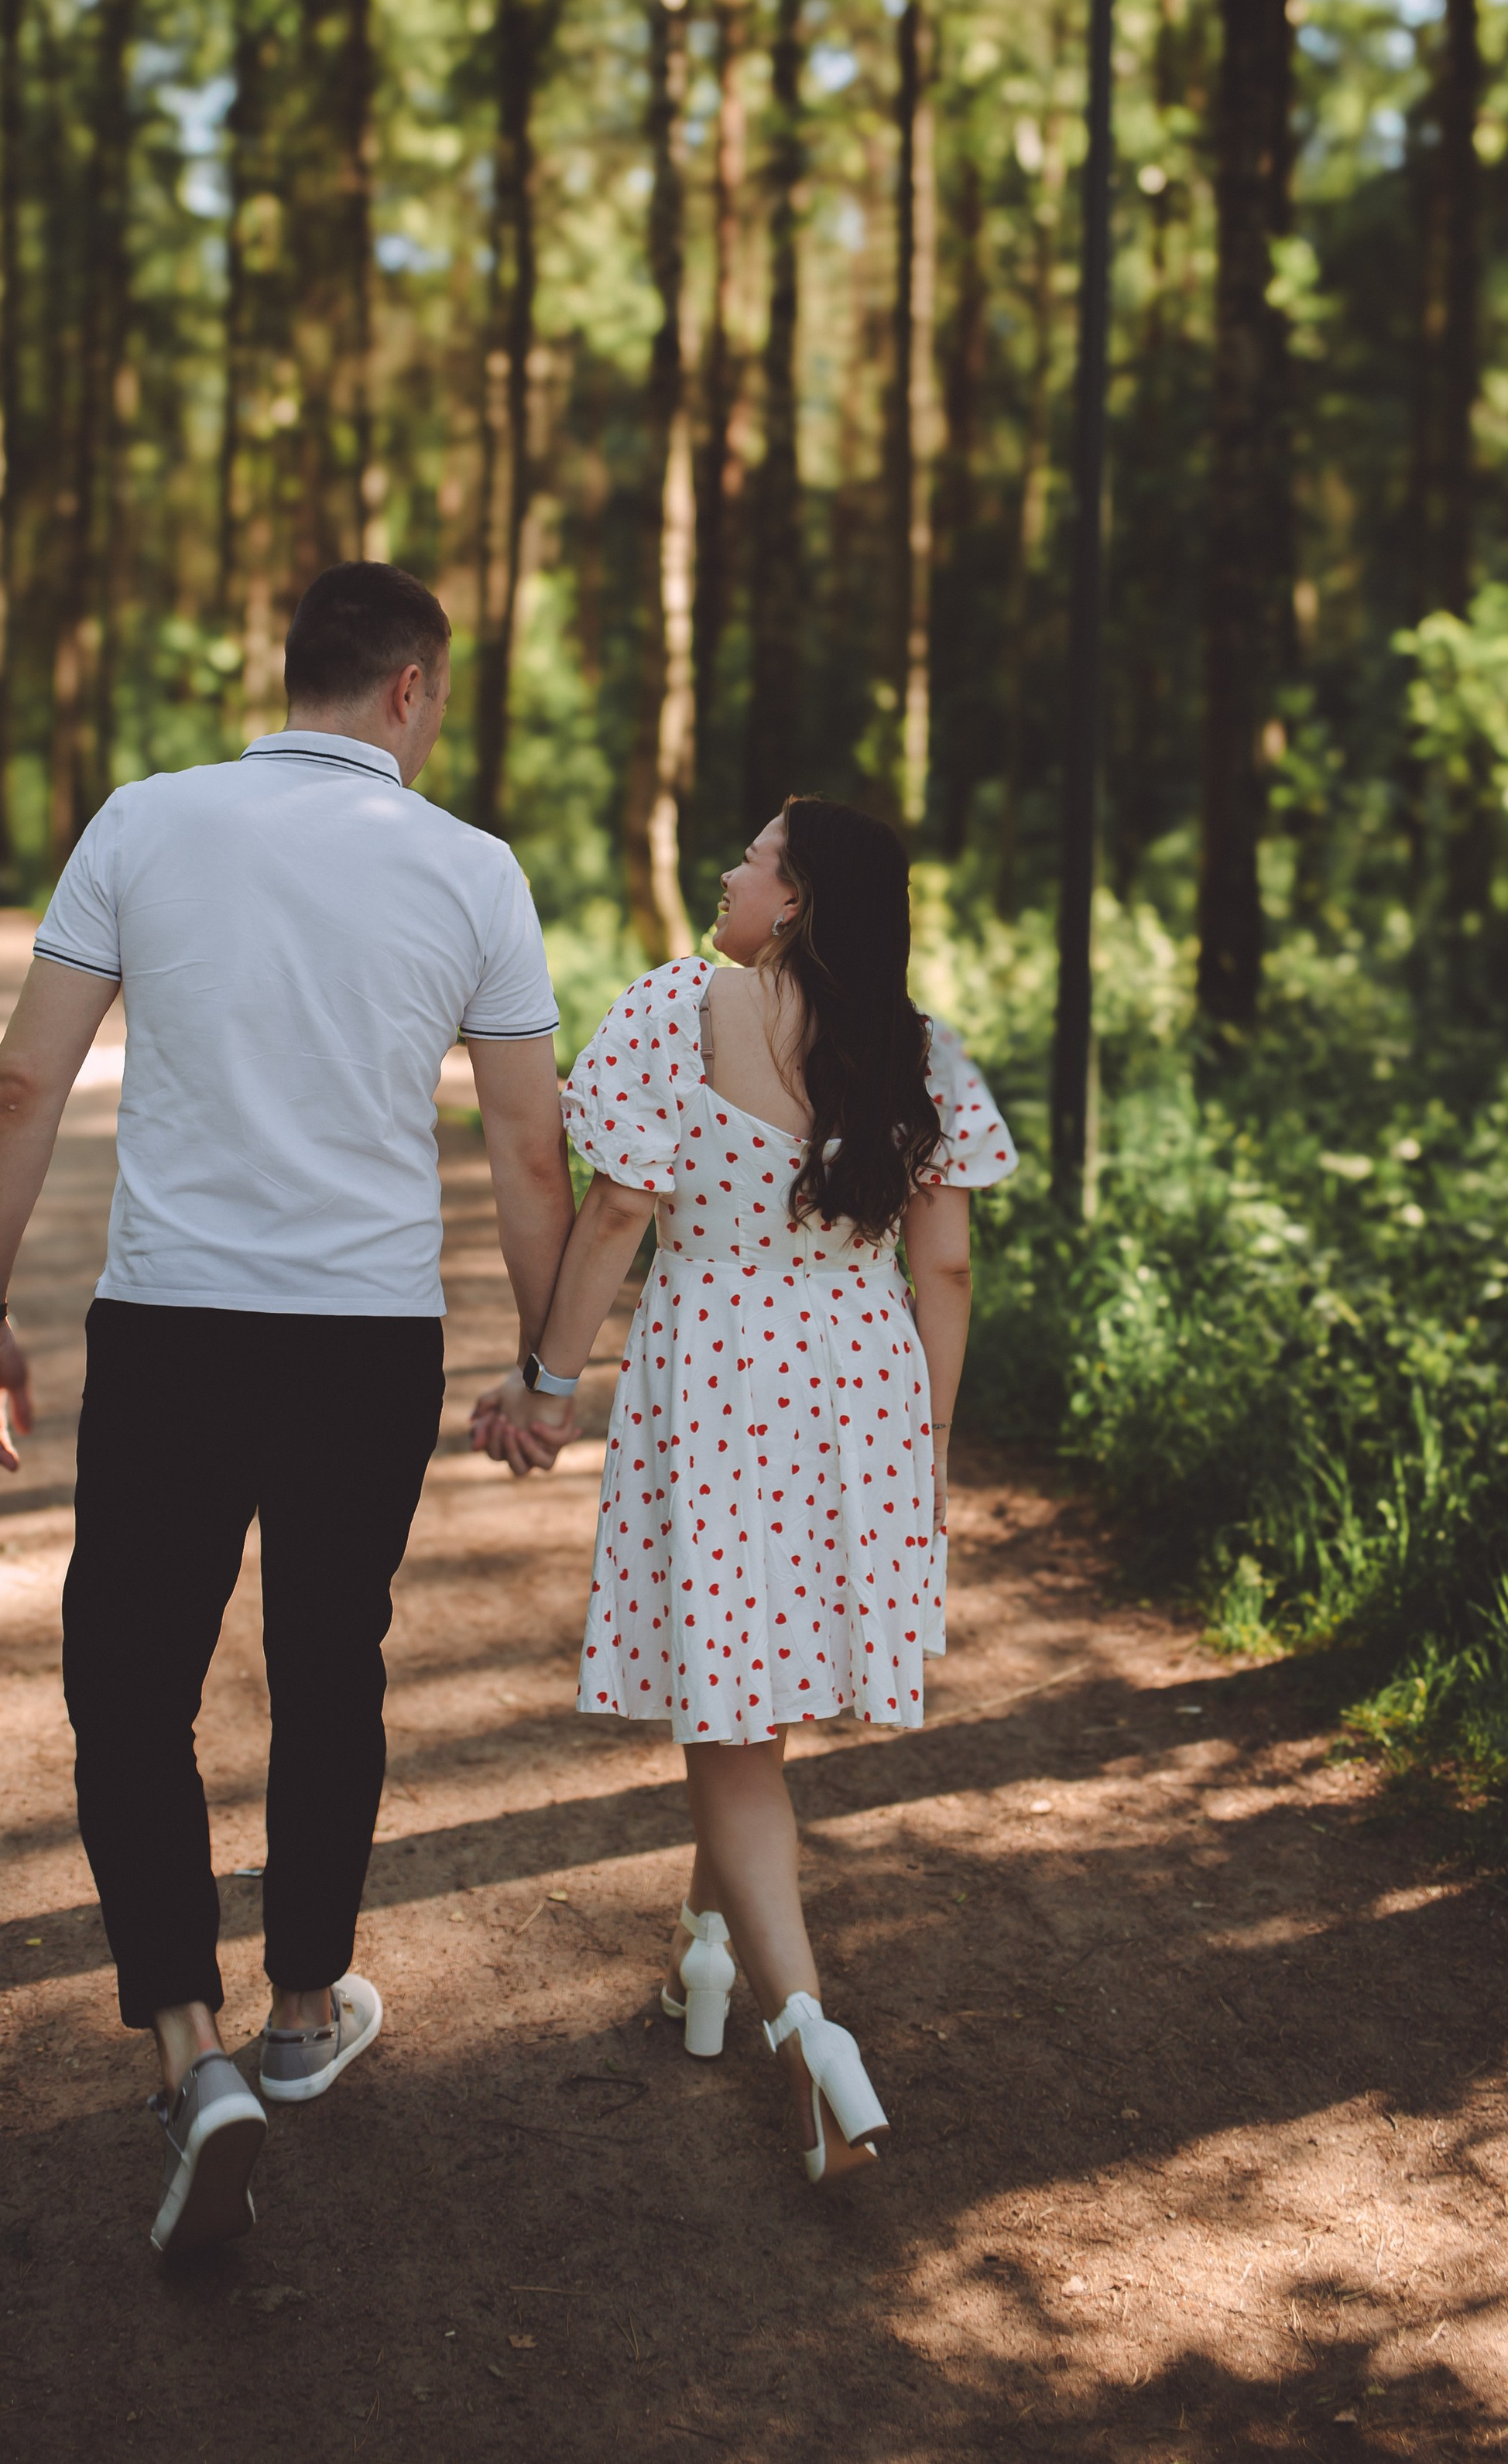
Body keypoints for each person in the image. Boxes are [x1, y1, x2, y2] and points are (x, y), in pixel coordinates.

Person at [0, 563, 574, 2257]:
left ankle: (186, 2048)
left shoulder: (144, 823)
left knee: (130, 1682)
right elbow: (526, 1149)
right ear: (412, 691)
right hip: (361, 1338)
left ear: (288, 674)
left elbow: (24, 1082)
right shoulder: (471, 870)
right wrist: (539, 1365)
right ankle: (303, 2012)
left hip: (171, 1327)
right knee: (327, 1665)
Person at [472, 796, 1014, 2183]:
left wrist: (548, 1380)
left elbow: (612, 1211)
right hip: (861, 1376)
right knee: (748, 1693)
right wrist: (928, 1447)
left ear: (800, 902)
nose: (729, 870)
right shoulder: (923, 1055)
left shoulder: (678, 1008)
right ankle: (704, 1955)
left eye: (756, 856)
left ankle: (809, 2030)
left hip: (716, 1368)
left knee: (730, 1713)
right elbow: (943, 1269)